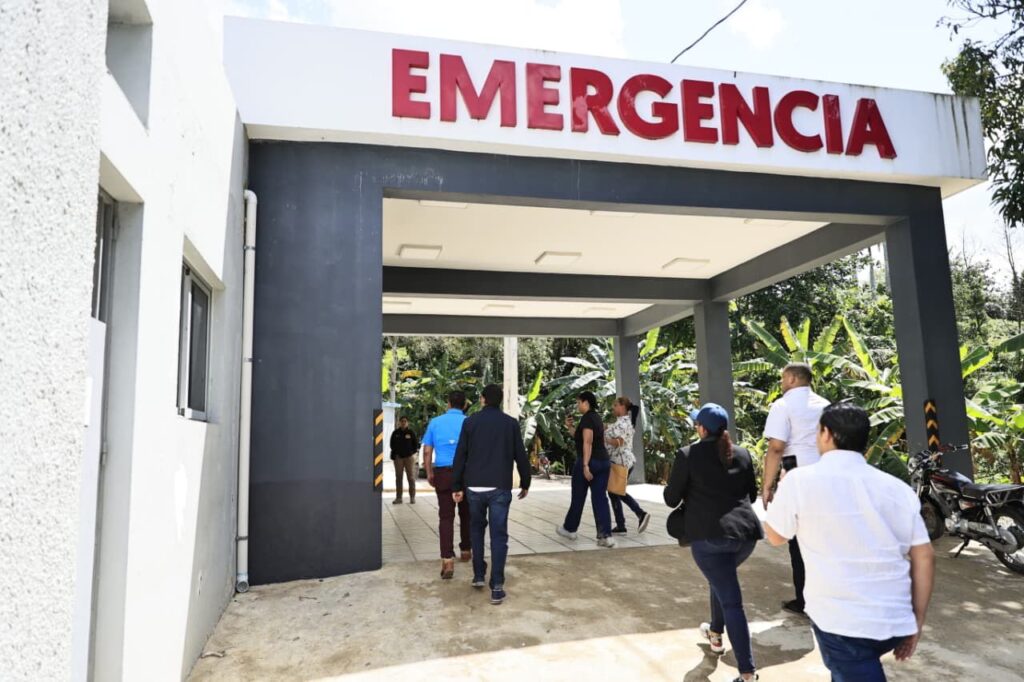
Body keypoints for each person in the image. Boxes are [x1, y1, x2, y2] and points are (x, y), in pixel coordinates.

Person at [764, 403, 935, 681]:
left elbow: (775, 536)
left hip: (841, 622)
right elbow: (925, 557)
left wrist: (782, 488)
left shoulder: (799, 481)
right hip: (894, 620)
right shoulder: (897, 489)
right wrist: (916, 621)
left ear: (826, 434)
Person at [664, 403, 762, 682]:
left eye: (697, 423)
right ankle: (715, 633)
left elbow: (672, 499)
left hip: (709, 540)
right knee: (721, 581)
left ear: (702, 428)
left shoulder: (687, 455)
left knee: (732, 602)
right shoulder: (742, 454)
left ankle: (747, 673)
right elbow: (751, 496)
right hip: (745, 537)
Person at [452, 384, 531, 605]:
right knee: (499, 536)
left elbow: (460, 455)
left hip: (474, 489)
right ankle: (497, 586)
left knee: (475, 530)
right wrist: (526, 482)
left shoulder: (470, 422)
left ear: (483, 399)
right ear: (501, 400)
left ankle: (478, 575)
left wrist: (456, 486)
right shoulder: (510, 424)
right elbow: (520, 456)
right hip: (499, 488)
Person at [760, 362, 830, 615]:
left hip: (797, 478)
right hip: (826, 476)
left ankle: (805, 600)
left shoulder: (783, 405)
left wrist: (767, 485)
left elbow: (776, 447)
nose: (781, 383)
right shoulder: (825, 405)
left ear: (790, 379)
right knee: (823, 539)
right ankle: (826, 596)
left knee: (798, 542)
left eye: (782, 379)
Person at [555, 391, 616, 547]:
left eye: (578, 402)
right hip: (603, 462)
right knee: (600, 499)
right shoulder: (596, 418)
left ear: (586, 402)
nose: (577, 406)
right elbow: (583, 437)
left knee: (578, 496)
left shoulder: (587, 418)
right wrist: (570, 427)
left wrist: (585, 466)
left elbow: (587, 443)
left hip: (590, 462)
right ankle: (605, 536)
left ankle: (570, 529)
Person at [422, 391, 471, 579]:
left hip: (443, 473)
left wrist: (429, 472)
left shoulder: (435, 422)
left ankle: (447, 560)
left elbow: (427, 451)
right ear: (465, 404)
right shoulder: (469, 422)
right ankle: (466, 551)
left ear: (449, 403)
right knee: (466, 513)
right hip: (465, 473)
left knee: (446, 517)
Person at [605, 396, 651, 535]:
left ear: (622, 407)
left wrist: (603, 438)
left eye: (615, 405)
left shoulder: (623, 424)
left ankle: (640, 513)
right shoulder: (622, 422)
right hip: (619, 461)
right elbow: (610, 428)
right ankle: (621, 525)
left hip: (622, 461)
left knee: (616, 491)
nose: (613, 408)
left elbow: (617, 442)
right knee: (614, 492)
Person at [389, 416, 419, 504]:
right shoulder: (395, 433)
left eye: (405, 421)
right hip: (398, 458)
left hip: (409, 458)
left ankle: (412, 497)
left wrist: (410, 453)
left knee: (411, 477)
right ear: (399, 422)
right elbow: (391, 445)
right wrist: (397, 452)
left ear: (407, 422)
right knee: (399, 478)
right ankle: (399, 498)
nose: (403, 422)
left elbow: (416, 445)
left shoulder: (411, 432)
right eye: (402, 421)